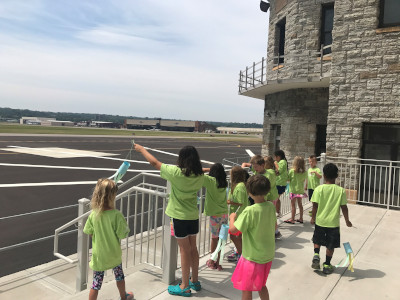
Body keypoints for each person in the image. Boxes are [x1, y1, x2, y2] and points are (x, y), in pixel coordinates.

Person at [134, 144, 204, 297]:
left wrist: (142, 150)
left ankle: (184, 286)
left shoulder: (176, 173)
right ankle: (195, 280)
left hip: (179, 216)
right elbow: (201, 171)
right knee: (193, 249)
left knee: (184, 250)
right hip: (193, 215)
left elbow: (155, 163)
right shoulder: (199, 175)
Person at [83, 178, 133, 300]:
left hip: (99, 255)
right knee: (119, 276)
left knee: (96, 283)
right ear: (112, 196)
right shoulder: (116, 215)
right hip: (114, 254)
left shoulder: (93, 214)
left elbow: (89, 232)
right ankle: (123, 297)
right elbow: (123, 234)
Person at [229, 175, 276, 300]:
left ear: (249, 193)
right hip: (267, 255)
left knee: (246, 289)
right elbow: (275, 225)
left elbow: (233, 230)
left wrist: (232, 218)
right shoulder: (271, 206)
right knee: (261, 285)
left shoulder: (249, 211)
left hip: (252, 257)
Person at [310, 163, 352, 274]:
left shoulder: (319, 189)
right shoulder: (340, 191)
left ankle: (316, 254)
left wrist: (313, 218)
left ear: (323, 175)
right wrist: (347, 221)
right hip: (333, 224)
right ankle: (327, 265)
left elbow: (315, 206)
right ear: (336, 176)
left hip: (320, 221)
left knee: (317, 240)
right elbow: (344, 207)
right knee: (330, 245)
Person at [243, 155, 281, 238]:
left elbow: (265, 190)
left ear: (262, 165)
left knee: (269, 216)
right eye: (253, 166)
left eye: (256, 167)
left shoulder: (267, 176)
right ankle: (274, 231)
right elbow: (249, 164)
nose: (254, 168)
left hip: (267, 198)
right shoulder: (258, 170)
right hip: (264, 198)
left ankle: (273, 231)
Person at [203, 163, 228, 271]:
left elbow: (198, 171)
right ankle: (219, 262)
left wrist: (208, 169)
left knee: (214, 238)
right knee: (222, 239)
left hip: (214, 215)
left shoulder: (211, 181)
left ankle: (212, 261)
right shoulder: (224, 183)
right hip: (224, 214)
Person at [226, 166, 249, 263]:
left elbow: (240, 202)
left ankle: (241, 254)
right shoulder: (240, 185)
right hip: (237, 214)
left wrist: (229, 202)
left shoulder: (239, 186)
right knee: (237, 236)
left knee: (234, 235)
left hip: (238, 215)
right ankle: (240, 252)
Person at [285, 156, 307, 224]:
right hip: (300, 190)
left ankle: (292, 218)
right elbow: (304, 180)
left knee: (293, 205)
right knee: (300, 204)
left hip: (293, 190)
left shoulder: (292, 171)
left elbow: (288, 180)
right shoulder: (304, 172)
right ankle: (301, 218)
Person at [274, 150, 288, 217]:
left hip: (280, 184)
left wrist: (275, 164)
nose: (275, 159)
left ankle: (277, 212)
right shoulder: (280, 162)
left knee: (275, 198)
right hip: (278, 183)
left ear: (278, 157)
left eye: (275, 157)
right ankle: (278, 212)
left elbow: (279, 171)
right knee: (277, 198)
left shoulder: (283, 162)